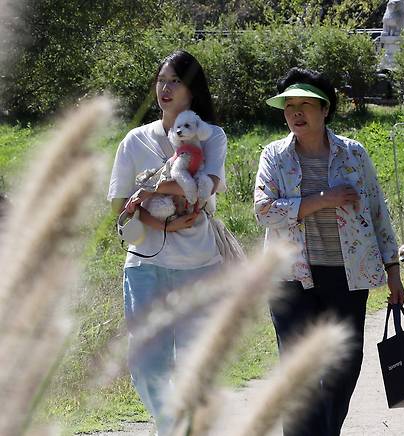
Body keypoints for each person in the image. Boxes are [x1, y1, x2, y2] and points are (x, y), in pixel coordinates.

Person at [254, 67, 404, 436]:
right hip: (291, 278)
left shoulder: (353, 153)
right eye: (289, 106)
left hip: (346, 275)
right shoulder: (274, 155)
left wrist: (393, 271)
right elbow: (264, 210)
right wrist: (324, 199)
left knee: (344, 365)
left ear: (325, 109)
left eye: (306, 104)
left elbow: (376, 212)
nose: (296, 113)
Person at [107, 50, 228, 433]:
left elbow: (206, 188)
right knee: (147, 365)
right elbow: (117, 203)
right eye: (161, 79)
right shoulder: (135, 140)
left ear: (192, 91)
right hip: (145, 266)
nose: (165, 87)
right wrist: (162, 227)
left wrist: (164, 189)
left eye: (175, 80)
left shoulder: (213, 137)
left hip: (200, 265)